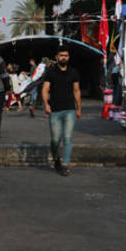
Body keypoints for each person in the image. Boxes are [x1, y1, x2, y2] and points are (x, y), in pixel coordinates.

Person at [42, 47, 81, 176]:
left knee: (67, 138)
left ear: (68, 57)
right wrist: (46, 104)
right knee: (55, 139)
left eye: (66, 55)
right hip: (55, 110)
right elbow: (45, 89)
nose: (64, 57)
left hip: (70, 109)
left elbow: (76, 91)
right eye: (61, 55)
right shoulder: (50, 72)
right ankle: (56, 159)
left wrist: (79, 108)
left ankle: (65, 164)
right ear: (57, 57)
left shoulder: (74, 72)